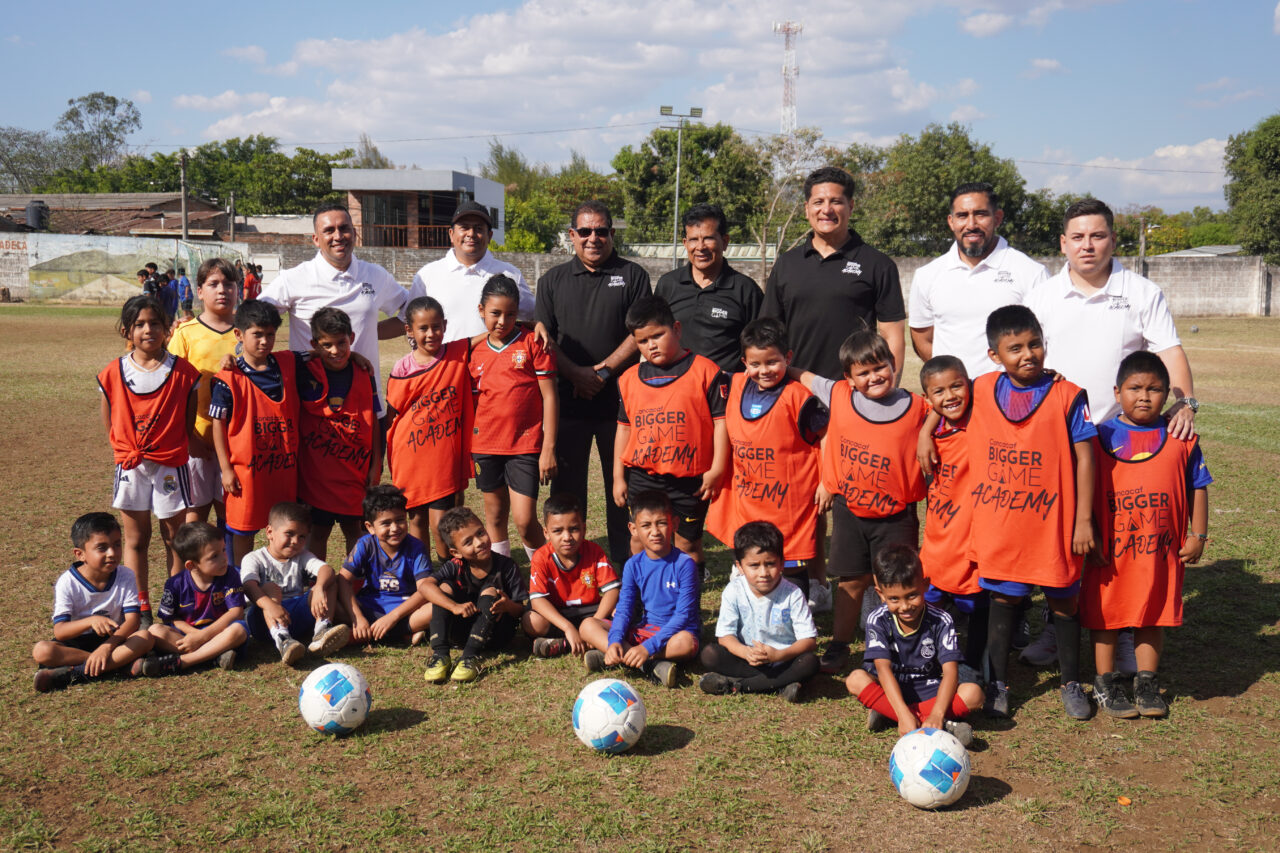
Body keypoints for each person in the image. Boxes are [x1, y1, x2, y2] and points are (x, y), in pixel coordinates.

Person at [760, 166, 907, 609]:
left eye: (837, 201)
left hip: (854, 401)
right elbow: (770, 331)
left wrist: (881, 392)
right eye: (819, 201)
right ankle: (816, 582)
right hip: (798, 396)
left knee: (853, 494)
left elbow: (894, 332)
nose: (828, 209)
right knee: (801, 494)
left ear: (850, 206)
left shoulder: (877, 263)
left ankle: (866, 587)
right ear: (806, 208)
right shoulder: (787, 264)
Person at [969, 304, 1097, 720]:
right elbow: (942, 395)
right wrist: (924, 431)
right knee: (1005, 599)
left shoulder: (1067, 394)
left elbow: (1085, 458)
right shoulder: (982, 388)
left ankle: (1071, 682)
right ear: (994, 355)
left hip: (1053, 526)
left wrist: (1082, 519)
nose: (1028, 354)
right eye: (1015, 348)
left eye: (1035, 344)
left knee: (1064, 602)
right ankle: (999, 684)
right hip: (1002, 525)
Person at [1082, 351, 1211, 719]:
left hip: (1160, 551)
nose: (1144, 396)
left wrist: (1198, 534)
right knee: (1106, 615)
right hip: (1112, 551)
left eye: (1154, 389)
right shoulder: (1099, 436)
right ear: (1116, 391)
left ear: (1167, 394)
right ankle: (1105, 683)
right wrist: (1089, 532)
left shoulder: (1180, 437)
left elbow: (1198, 486)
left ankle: (1146, 681)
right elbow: (1084, 487)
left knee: (1154, 613)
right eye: (1134, 388)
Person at [792, 330, 930, 675]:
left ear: (893, 364)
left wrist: (927, 431)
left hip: (896, 516)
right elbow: (800, 375)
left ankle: (899, 645)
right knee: (851, 582)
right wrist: (771, 368)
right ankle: (840, 644)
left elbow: (949, 406)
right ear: (848, 379)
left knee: (896, 585)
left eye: (879, 367)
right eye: (863, 373)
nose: (874, 377)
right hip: (850, 512)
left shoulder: (916, 406)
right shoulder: (838, 394)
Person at [535, 200, 649, 565]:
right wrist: (577, 374)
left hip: (620, 405)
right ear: (572, 236)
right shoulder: (551, 281)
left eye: (601, 230)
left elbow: (640, 331)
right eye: (585, 231)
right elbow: (545, 340)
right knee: (569, 494)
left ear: (612, 233)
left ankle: (625, 567)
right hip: (568, 404)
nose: (593, 238)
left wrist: (603, 371)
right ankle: (572, 570)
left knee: (623, 490)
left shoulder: (633, 276)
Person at [1025, 198, 1196, 432]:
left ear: (1113, 240)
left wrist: (1186, 402)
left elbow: (1169, 351)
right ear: (1063, 244)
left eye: (1097, 236)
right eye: (1077, 237)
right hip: (1055, 429)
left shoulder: (1143, 293)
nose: (1087, 245)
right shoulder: (1040, 297)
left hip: (1120, 432)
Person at [98, 293, 200, 625]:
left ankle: (172, 604)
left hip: (170, 462)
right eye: (139, 324)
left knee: (174, 539)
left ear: (167, 328)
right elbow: (110, 420)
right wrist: (125, 448)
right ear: (127, 331)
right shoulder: (113, 372)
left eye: (155, 323)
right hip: (131, 465)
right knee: (136, 539)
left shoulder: (184, 373)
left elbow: (186, 422)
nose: (147, 330)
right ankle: (140, 606)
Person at [705, 318, 825, 599]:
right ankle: (750, 607)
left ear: (789, 358)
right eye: (755, 364)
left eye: (772, 362)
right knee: (753, 552)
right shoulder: (734, 386)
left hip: (790, 502)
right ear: (744, 362)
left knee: (791, 559)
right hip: (750, 497)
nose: (764, 370)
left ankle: (799, 616)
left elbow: (827, 433)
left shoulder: (800, 396)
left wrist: (828, 481)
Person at [612, 295, 729, 574]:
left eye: (658, 335)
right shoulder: (629, 378)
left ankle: (689, 608)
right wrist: (618, 476)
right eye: (642, 341)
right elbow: (623, 429)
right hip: (643, 476)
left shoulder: (706, 371)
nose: (651, 345)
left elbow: (722, 424)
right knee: (640, 541)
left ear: (676, 329)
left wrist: (716, 469)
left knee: (687, 545)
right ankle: (641, 605)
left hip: (690, 481)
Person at [259, 203, 409, 419]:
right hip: (311, 404)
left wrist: (371, 331)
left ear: (355, 233)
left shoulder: (375, 275)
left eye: (344, 228)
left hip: (363, 400)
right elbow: (254, 319)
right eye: (329, 230)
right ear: (316, 239)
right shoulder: (293, 279)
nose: (338, 236)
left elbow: (410, 312)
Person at [846, 544, 983, 746]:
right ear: (880, 594)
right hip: (891, 688)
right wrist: (902, 712)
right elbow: (883, 671)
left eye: (912, 595)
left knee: (975, 694)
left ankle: (889, 713)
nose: (905, 606)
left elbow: (951, 672)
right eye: (894, 598)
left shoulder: (941, 620)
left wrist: (936, 713)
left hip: (930, 692)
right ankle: (941, 724)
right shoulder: (877, 619)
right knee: (855, 679)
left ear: (925, 585)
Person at [908, 182, 1048, 377]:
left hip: (1009, 401)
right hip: (955, 402)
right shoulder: (927, 275)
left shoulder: (1031, 272)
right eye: (962, 216)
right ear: (951, 221)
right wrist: (951, 381)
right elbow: (923, 339)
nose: (971, 225)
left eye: (981, 214)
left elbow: (1045, 338)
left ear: (997, 218)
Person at [468, 275, 558, 562]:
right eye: (495, 313)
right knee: (494, 519)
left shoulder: (533, 343)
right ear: (481, 310)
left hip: (525, 447)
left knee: (524, 520)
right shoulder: (473, 352)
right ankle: (504, 575)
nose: (502, 321)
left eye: (510, 314)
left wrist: (548, 448)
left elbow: (550, 397)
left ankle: (545, 575)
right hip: (486, 447)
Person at [209, 300, 299, 569]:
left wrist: (354, 355)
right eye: (257, 334)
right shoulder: (228, 378)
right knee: (243, 531)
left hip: (282, 471)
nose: (264, 341)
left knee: (285, 528)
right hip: (245, 473)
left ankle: (285, 582)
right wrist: (225, 469)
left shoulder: (287, 362)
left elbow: (323, 353)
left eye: (270, 334)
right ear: (239, 335)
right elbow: (218, 425)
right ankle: (241, 585)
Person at [579, 490, 701, 688]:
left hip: (674, 634)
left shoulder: (685, 564)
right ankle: (647, 664)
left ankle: (621, 657)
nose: (655, 531)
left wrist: (646, 648)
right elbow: (625, 608)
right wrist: (616, 639)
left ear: (674, 524)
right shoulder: (633, 565)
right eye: (646, 525)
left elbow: (683, 616)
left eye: (661, 523)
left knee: (685, 644)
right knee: (587, 625)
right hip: (643, 631)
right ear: (633, 529)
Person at [385, 296, 474, 562]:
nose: (431, 333)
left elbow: (492, 332)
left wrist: (532, 324)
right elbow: (392, 415)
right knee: (416, 518)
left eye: (436, 326)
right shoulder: (403, 367)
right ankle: (421, 572)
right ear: (409, 330)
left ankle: (450, 569)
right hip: (409, 455)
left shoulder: (457, 353)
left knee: (441, 523)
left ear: (445, 326)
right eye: (423, 328)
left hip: (442, 458)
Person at [916, 355, 987, 676]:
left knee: (978, 609)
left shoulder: (984, 419)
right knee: (928, 605)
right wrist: (925, 430)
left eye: (957, 386)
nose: (950, 396)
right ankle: (922, 660)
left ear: (969, 384)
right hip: (938, 540)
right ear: (928, 399)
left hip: (973, 543)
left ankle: (975, 666)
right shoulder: (930, 431)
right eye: (939, 392)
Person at [32, 512, 156, 692]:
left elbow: (133, 621)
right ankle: (119, 665)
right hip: (77, 645)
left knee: (146, 637)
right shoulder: (67, 582)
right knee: (42, 651)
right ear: (80, 554)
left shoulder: (126, 575)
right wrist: (91, 622)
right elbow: (60, 631)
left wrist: (107, 646)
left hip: (115, 639)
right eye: (102, 548)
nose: (112, 553)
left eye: (117, 545)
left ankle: (76, 672)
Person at [297, 306, 382, 564]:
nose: (335, 351)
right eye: (326, 345)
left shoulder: (364, 374)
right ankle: (316, 587)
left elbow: (375, 424)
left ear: (352, 338)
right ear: (314, 344)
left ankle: (353, 585)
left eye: (341, 343)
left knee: (355, 531)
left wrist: (376, 465)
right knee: (318, 533)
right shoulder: (303, 370)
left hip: (353, 472)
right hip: (316, 476)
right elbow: (271, 359)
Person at [698, 521, 819, 702]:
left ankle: (737, 686)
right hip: (747, 660)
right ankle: (781, 685)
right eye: (754, 565)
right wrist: (745, 652)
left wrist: (778, 655)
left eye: (770, 563)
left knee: (810, 663)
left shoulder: (793, 594)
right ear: (739, 566)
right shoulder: (733, 590)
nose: (763, 572)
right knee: (709, 654)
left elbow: (808, 641)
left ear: (782, 563)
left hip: (784, 660)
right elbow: (725, 636)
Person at [421, 506, 529, 684]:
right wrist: (454, 607)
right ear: (456, 552)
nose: (479, 542)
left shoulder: (507, 566)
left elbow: (521, 611)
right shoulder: (455, 566)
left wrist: (508, 605)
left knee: (490, 589)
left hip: (494, 635)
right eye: (468, 542)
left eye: (480, 533)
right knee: (445, 588)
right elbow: (425, 587)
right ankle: (440, 655)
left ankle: (470, 658)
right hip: (459, 634)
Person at [169, 258, 240, 527]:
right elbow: (174, 393)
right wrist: (189, 438)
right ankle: (195, 569)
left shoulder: (246, 333)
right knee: (195, 514)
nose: (222, 290)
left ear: (237, 290)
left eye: (228, 284)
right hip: (196, 440)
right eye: (213, 284)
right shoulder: (186, 333)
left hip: (234, 445)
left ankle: (227, 569)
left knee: (230, 513)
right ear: (199, 291)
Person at [653, 203, 761, 373]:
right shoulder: (668, 285)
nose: (700, 247)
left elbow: (760, 346)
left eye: (708, 238)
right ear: (685, 243)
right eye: (693, 239)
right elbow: (654, 337)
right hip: (676, 391)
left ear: (725, 242)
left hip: (725, 393)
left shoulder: (746, 290)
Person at [408, 200, 536, 343]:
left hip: (493, 363)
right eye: (464, 227)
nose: (471, 234)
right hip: (445, 364)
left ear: (490, 236)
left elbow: (533, 317)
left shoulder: (510, 275)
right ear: (451, 234)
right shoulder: (427, 275)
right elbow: (411, 323)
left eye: (478, 228)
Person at [240, 502, 350, 665]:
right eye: (289, 534)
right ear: (270, 532)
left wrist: (319, 588)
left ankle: (321, 633)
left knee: (329, 582)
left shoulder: (302, 556)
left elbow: (326, 569)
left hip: (295, 617)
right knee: (271, 587)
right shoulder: (254, 558)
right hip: (262, 621)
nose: (295, 541)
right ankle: (283, 640)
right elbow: (249, 587)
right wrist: (270, 606)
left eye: (302, 537)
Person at [137, 521, 249, 676]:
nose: (224, 558)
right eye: (214, 556)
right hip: (188, 636)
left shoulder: (230, 575)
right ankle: (215, 656)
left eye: (223, 550)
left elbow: (236, 612)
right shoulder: (174, 584)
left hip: (219, 633)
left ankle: (184, 662)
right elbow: (170, 618)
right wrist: (194, 635)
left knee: (239, 629)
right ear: (192, 565)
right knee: (155, 631)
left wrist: (203, 636)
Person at [522, 493, 620, 659]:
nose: (567, 537)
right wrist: (568, 627)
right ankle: (575, 641)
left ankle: (567, 644)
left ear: (584, 528)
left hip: (591, 613)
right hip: (559, 615)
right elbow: (537, 600)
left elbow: (612, 591)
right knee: (530, 620)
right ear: (546, 533)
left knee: (620, 611)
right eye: (558, 531)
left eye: (574, 529)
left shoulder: (594, 551)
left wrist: (594, 623)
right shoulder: (541, 557)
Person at [339, 485, 433, 646]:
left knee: (438, 607)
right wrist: (357, 618)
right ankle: (401, 634)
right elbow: (343, 580)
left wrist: (393, 617)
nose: (395, 528)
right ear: (370, 527)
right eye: (386, 523)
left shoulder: (416, 547)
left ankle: (367, 635)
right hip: (368, 608)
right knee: (326, 596)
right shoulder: (365, 544)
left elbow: (425, 589)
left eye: (400, 520)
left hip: (405, 611)